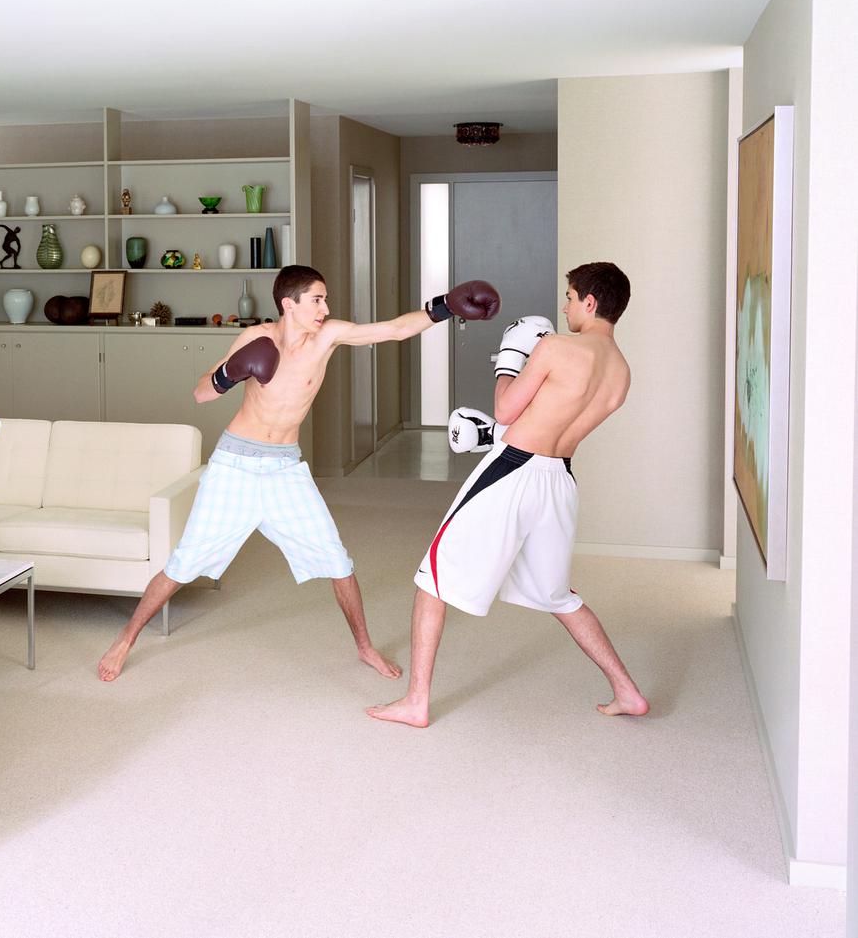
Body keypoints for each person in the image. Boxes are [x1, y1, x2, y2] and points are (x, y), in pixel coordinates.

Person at [97, 265, 501, 681]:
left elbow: (394, 330)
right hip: (234, 466)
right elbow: (201, 393)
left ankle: (365, 647)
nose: (325, 308)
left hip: (285, 470)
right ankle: (125, 639)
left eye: (325, 300)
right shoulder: (256, 338)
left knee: (338, 562)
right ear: (288, 304)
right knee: (183, 563)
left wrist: (445, 307)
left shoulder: (327, 337)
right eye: (317, 300)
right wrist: (229, 373)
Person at [368, 261, 649, 727]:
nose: (565, 308)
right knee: (559, 596)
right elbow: (557, 417)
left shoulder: (557, 347)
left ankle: (416, 702)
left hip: (512, 471)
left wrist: (511, 358)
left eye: (570, 298)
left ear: (590, 302)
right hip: (560, 480)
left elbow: (506, 409)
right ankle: (627, 690)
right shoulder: (621, 374)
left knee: (433, 578)